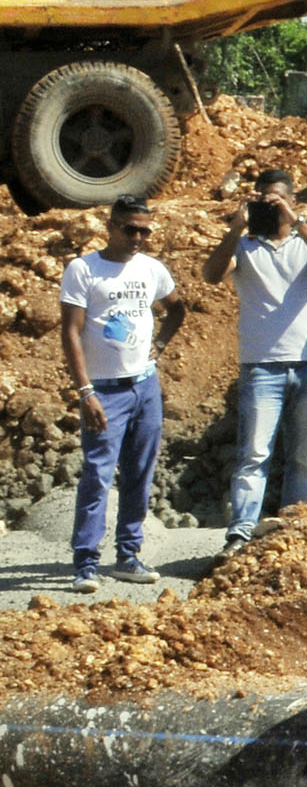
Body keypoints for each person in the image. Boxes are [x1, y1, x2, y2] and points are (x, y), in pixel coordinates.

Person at [202, 169, 307, 557]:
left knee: (302, 456)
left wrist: (295, 221)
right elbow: (211, 275)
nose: (270, 206)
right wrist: (235, 230)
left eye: (277, 199)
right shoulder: (245, 247)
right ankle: (241, 532)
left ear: (292, 200)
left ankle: (295, 528)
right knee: (254, 454)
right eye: (263, 199)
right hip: (261, 366)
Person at [57, 195, 185, 593]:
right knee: (97, 474)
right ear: (110, 227)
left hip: (144, 386)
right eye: (130, 229)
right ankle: (86, 562)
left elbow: (178, 309)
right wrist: (85, 391)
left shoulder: (151, 269)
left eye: (145, 231)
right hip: (104, 390)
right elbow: (71, 333)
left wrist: (160, 347)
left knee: (140, 472)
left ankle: (128, 554)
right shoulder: (84, 270)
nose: (138, 238)